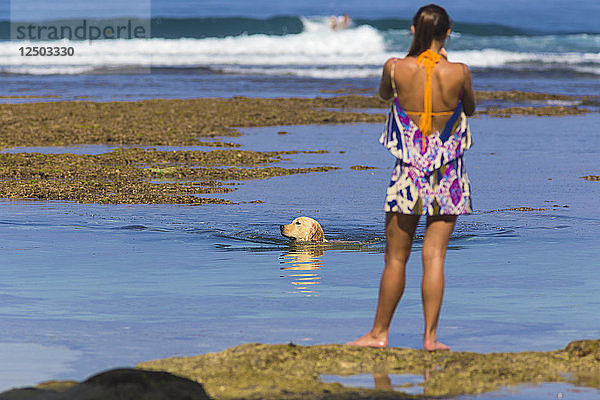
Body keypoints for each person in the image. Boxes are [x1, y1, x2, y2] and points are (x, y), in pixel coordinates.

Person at [347, 4, 475, 351]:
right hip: (448, 172)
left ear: (413, 30)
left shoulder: (394, 67)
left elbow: (385, 96)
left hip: (408, 172)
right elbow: (470, 108)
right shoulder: (460, 71)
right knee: (434, 256)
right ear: (446, 32)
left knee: (396, 257)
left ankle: (378, 334)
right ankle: (431, 339)